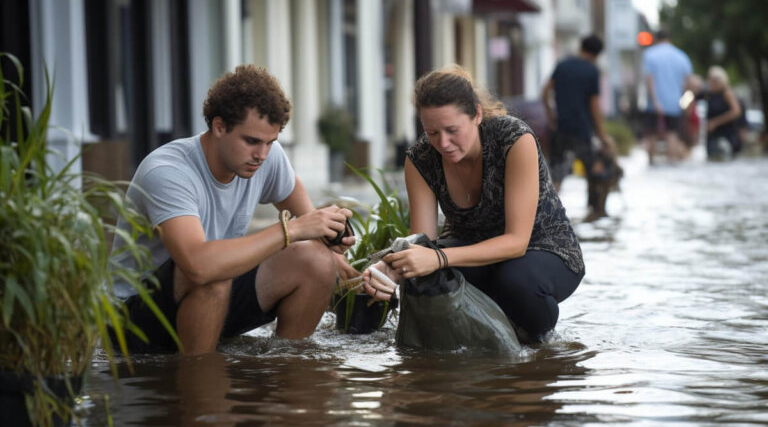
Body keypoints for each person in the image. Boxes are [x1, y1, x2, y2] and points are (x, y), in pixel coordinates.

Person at [110, 65, 357, 355]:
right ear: (219, 126)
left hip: (213, 298)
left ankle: (286, 374)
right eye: (251, 141)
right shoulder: (167, 172)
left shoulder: (266, 157)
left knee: (315, 260)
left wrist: (337, 259)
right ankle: (199, 386)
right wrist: (291, 230)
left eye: (271, 142)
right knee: (213, 271)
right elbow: (197, 265)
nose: (262, 155)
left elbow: (310, 222)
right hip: (134, 322)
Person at [361, 65, 585, 343]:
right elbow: (423, 242)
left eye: (452, 130)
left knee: (514, 281)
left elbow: (516, 242)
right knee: (423, 273)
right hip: (471, 251)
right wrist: (391, 268)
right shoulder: (419, 159)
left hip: (542, 248)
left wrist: (439, 258)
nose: (443, 143)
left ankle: (540, 347)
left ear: (477, 114)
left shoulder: (514, 139)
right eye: (432, 132)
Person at [542, 34, 618, 222]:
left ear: (581, 47)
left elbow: (545, 92)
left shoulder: (563, 65)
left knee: (557, 176)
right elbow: (594, 106)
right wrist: (602, 135)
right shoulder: (592, 71)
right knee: (593, 173)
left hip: (561, 129)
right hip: (583, 131)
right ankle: (593, 213)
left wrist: (551, 115)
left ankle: (547, 215)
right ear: (597, 54)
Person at [642, 29, 693, 164]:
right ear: (670, 38)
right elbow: (688, 82)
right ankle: (672, 164)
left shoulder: (650, 55)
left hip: (654, 104)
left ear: (656, 39)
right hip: (675, 103)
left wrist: (655, 101)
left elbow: (649, 80)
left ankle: (651, 166)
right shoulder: (681, 56)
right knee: (673, 135)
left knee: (652, 134)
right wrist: (685, 102)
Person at [697, 66, 743, 159]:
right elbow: (691, 99)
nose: (711, 83)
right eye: (710, 80)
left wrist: (715, 122)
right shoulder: (707, 94)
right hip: (712, 135)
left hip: (727, 133)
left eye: (715, 81)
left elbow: (736, 111)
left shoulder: (726, 93)